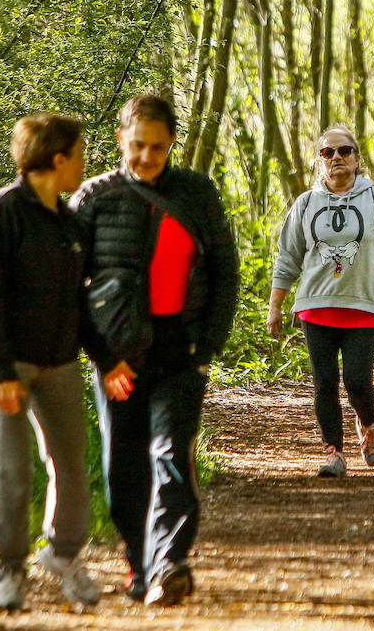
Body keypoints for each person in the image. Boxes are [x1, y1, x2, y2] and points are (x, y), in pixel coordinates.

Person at [71, 94, 240, 607]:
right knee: (122, 467)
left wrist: (207, 344)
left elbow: (223, 272)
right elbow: (69, 286)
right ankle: (139, 564)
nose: (147, 157)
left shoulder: (196, 195)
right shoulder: (93, 198)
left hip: (179, 350)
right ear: (120, 139)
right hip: (116, 357)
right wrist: (99, 355)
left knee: (171, 454)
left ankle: (170, 562)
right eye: (138, 146)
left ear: (171, 146)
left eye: (158, 148)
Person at [0, 113, 100, 610]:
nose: (84, 165)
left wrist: (106, 362)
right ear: (58, 158)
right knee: (14, 468)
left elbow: (79, 303)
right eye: (80, 155)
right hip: (6, 361)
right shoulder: (4, 210)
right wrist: (1, 371)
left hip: (60, 360)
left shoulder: (69, 222)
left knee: (70, 461)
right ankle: (11, 572)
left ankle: (64, 555)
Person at [267, 126, 374, 477]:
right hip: (316, 306)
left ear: (357, 158)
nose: (336, 158)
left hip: (364, 305)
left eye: (344, 151)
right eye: (327, 153)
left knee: (358, 381)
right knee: (325, 382)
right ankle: (333, 451)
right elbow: (288, 257)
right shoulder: (305, 203)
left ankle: (369, 424)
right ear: (319, 161)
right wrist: (275, 306)